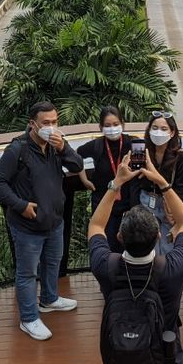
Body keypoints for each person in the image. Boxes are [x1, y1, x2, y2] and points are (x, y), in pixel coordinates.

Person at [88, 156, 183, 364]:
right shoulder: (172, 269)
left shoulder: (107, 266)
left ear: (120, 237)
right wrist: (161, 182)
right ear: (158, 236)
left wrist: (117, 183)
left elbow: (96, 225)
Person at [0, 101, 84, 341]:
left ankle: (49, 299)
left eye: (54, 122)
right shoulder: (17, 150)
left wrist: (63, 149)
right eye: (46, 123)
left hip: (54, 221)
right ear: (32, 124)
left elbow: (77, 165)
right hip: (27, 226)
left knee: (53, 262)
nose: (51, 127)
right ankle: (29, 318)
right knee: (27, 273)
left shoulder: (56, 144)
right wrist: (21, 206)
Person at [127, 112, 183, 256]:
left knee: (169, 247)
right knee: (148, 248)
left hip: (168, 206)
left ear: (172, 132)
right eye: (154, 128)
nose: (158, 132)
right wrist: (134, 210)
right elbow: (135, 183)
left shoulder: (180, 157)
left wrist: (178, 216)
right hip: (145, 202)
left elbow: (181, 188)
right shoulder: (141, 152)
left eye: (163, 128)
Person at [77, 106, 137, 254]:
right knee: (108, 247)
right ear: (101, 127)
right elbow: (76, 157)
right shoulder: (96, 145)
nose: (112, 129)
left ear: (122, 124)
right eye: (107, 125)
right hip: (104, 204)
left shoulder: (133, 143)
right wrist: (84, 180)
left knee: (130, 247)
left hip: (128, 205)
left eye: (116, 124)